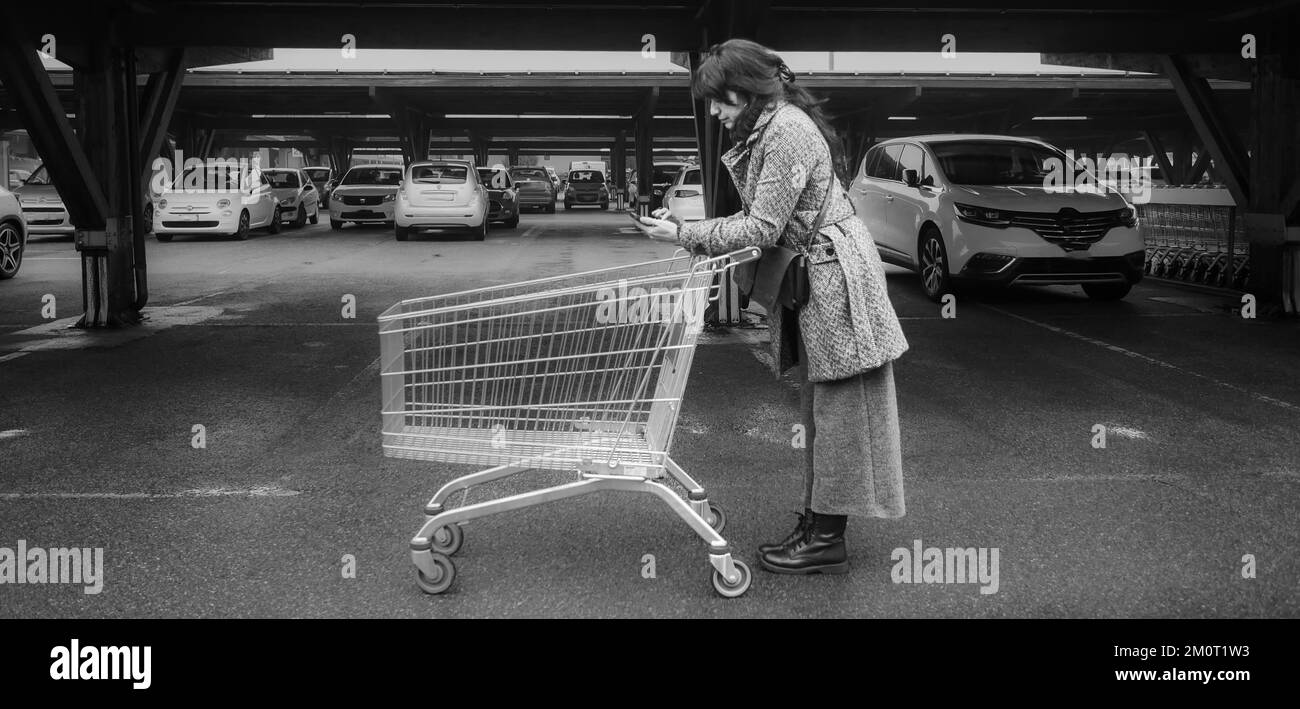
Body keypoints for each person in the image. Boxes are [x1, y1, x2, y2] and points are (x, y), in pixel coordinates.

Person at [631, 38, 910, 575]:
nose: (713, 111)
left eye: (718, 99)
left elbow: (762, 226)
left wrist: (685, 233)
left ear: (745, 88)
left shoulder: (786, 131)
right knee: (823, 408)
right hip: (820, 275)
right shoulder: (773, 125)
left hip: (836, 282)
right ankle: (819, 521)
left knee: (841, 409)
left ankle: (827, 536)